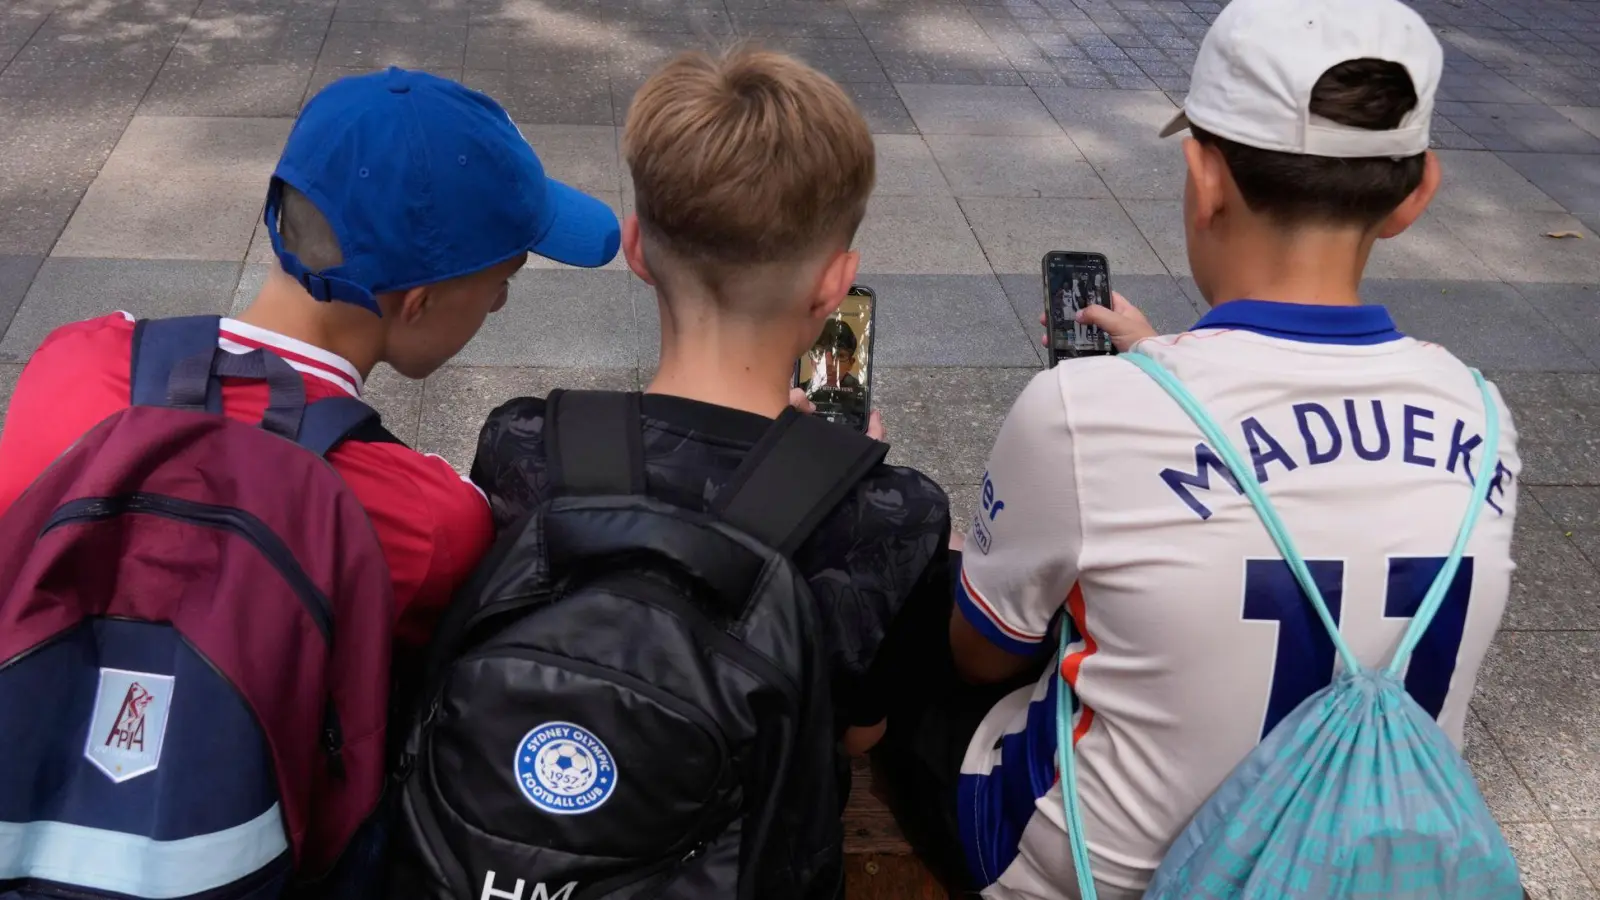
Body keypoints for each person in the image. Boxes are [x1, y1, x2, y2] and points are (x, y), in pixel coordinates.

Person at [875, 0, 1522, 896]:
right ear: (1418, 194)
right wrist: (1163, 365)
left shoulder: (1084, 409)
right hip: (1372, 854)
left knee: (932, 612)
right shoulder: (1483, 413)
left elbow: (982, 658)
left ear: (1203, 175)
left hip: (1095, 875)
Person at [0, 67, 622, 669]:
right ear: (417, 303)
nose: (501, 303)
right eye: (501, 281)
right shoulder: (430, 522)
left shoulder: (72, 359)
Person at [472, 46, 949, 769]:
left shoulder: (522, 443)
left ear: (635, 248)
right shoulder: (888, 513)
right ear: (834, 285)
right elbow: (856, 736)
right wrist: (828, 470)